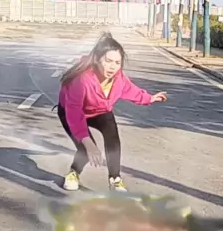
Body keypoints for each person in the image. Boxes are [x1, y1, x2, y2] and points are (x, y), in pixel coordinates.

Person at [57, 32, 167, 192]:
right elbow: (74, 113)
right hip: (71, 113)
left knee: (113, 138)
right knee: (86, 150)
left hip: (99, 111)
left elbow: (132, 91)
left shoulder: (119, 79)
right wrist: (88, 143)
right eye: (108, 61)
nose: (112, 67)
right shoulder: (82, 80)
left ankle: (115, 180)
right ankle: (73, 173)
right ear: (97, 59)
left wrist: (150, 98)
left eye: (117, 63)